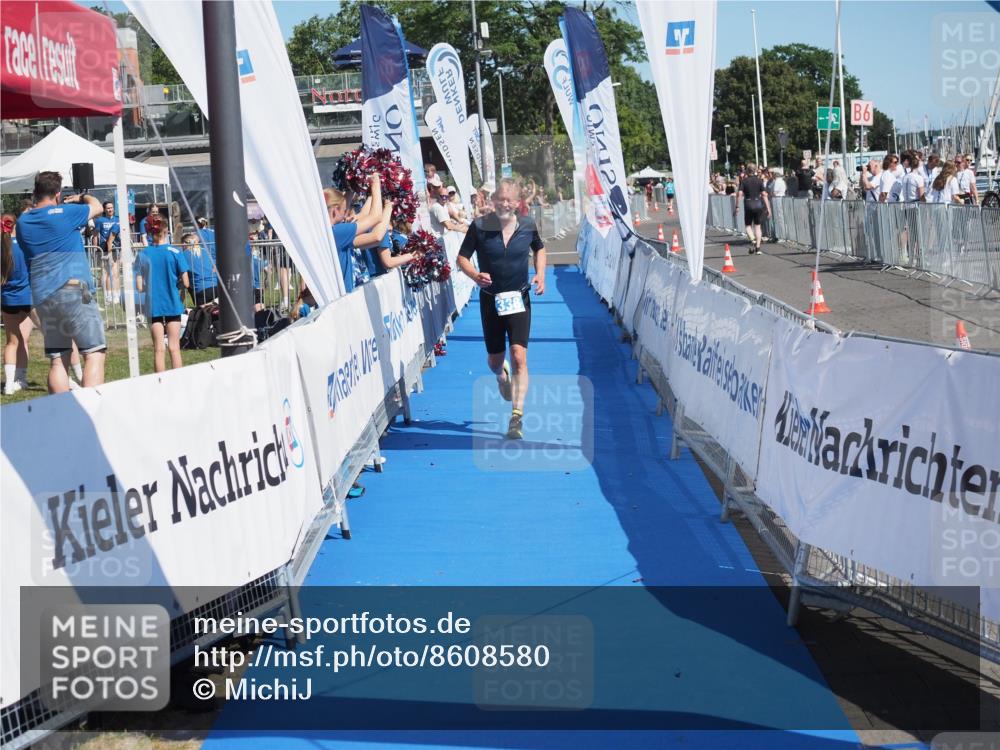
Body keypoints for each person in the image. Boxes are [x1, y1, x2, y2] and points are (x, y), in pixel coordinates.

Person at [456, 179, 546, 440]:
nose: (505, 203)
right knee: (496, 360)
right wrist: (474, 275)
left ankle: (516, 417)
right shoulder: (480, 227)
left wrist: (540, 274)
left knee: (520, 356)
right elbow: (461, 257)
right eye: (501, 199)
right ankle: (501, 374)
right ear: (492, 202)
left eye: (510, 199)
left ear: (518, 203)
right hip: (490, 300)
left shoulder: (528, 226)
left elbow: (539, 249)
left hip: (519, 299)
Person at [16, 172, 106, 393]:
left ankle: (61, 416)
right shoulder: (67, 212)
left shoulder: (23, 222)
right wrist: (80, 198)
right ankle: (91, 411)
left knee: (58, 359)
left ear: (36, 192)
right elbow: (98, 206)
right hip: (74, 289)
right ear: (57, 194)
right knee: (93, 352)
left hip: (43, 295)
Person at [135, 214, 189, 373]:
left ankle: (160, 384)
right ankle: (177, 382)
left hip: (154, 305)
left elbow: (139, 286)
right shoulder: (175, 252)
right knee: (174, 348)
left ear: (150, 232)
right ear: (166, 230)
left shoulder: (143, 254)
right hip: (172, 303)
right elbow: (186, 282)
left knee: (158, 349)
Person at [325, 174, 392, 293]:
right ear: (335, 211)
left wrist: (358, 187)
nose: (346, 214)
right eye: (344, 210)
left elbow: (369, 223)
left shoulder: (330, 232)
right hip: (342, 298)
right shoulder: (337, 232)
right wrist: (377, 186)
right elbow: (375, 222)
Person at [1, 213, 34, 395]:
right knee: (24, 340)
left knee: (12, 342)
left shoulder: (2, 247)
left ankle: (9, 384)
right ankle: (20, 379)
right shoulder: (25, 244)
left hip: (8, 299)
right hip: (27, 298)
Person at [735, 163, 770, 255]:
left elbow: (739, 194)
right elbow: (764, 195)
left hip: (748, 203)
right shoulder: (759, 181)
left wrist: (737, 206)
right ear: (755, 170)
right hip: (758, 203)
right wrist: (768, 208)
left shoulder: (744, 181)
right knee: (758, 226)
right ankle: (758, 248)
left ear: (747, 170)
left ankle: (753, 239)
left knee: (748, 226)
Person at [92, 200, 122, 305]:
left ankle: (116, 295)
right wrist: (96, 249)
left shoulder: (118, 219)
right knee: (105, 273)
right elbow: (95, 235)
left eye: (112, 207)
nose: (110, 209)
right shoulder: (100, 220)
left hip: (115, 248)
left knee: (115, 272)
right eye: (108, 208)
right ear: (104, 209)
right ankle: (107, 296)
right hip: (103, 248)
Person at [180, 232, 218, 306]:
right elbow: (214, 268)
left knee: (204, 315)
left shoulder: (183, 255)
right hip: (216, 287)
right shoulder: (206, 251)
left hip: (201, 291)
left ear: (184, 244)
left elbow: (185, 282)